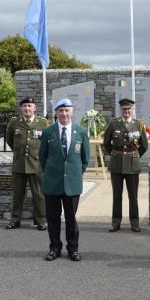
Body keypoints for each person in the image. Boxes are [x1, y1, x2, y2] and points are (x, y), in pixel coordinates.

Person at [38, 98, 90, 262]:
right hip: (52, 182)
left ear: (72, 111)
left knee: (70, 218)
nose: (64, 114)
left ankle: (73, 249)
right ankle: (54, 248)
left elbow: (84, 159)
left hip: (72, 184)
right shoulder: (48, 132)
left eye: (67, 110)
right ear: (56, 113)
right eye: (61, 111)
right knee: (53, 218)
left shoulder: (80, 132)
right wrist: (53, 173)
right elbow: (42, 157)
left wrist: (74, 174)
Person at [102, 98, 148, 232]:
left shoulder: (138, 124)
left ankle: (135, 223)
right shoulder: (113, 123)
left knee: (133, 195)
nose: (126, 111)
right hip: (116, 163)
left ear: (132, 110)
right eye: (124, 109)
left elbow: (144, 145)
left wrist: (134, 154)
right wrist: (116, 153)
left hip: (132, 164)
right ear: (120, 110)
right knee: (117, 194)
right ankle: (116, 222)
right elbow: (106, 143)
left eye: (128, 109)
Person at [5, 96, 49, 230]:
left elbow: (47, 142)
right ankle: (15, 220)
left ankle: (41, 220)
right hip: (19, 164)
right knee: (18, 194)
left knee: (39, 194)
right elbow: (10, 140)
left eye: (30, 106)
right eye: (24, 106)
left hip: (36, 164)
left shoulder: (42, 122)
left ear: (34, 108)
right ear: (21, 108)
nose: (27, 108)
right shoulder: (14, 122)